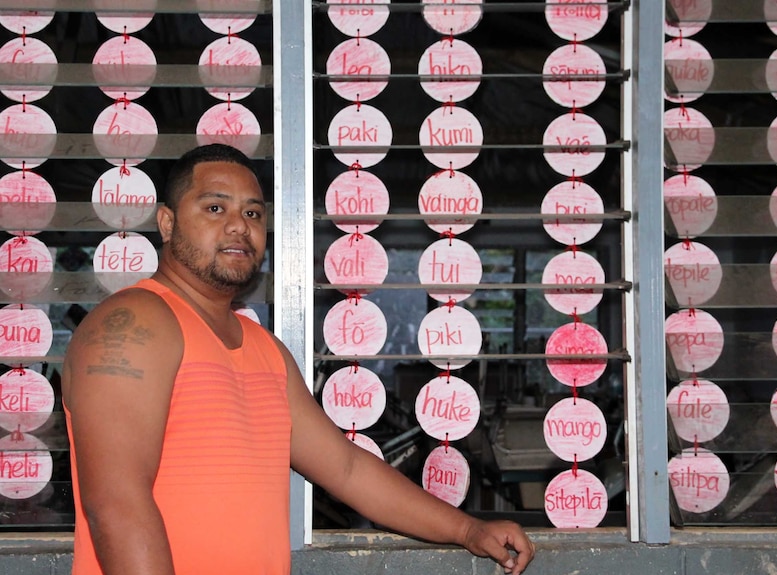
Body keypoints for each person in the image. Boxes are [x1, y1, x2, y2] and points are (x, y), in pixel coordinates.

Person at [62, 144, 535, 575]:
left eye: (253, 212)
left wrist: (467, 530)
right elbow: (116, 505)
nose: (238, 225)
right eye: (214, 207)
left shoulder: (262, 348)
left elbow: (346, 468)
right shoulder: (132, 325)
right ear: (167, 223)